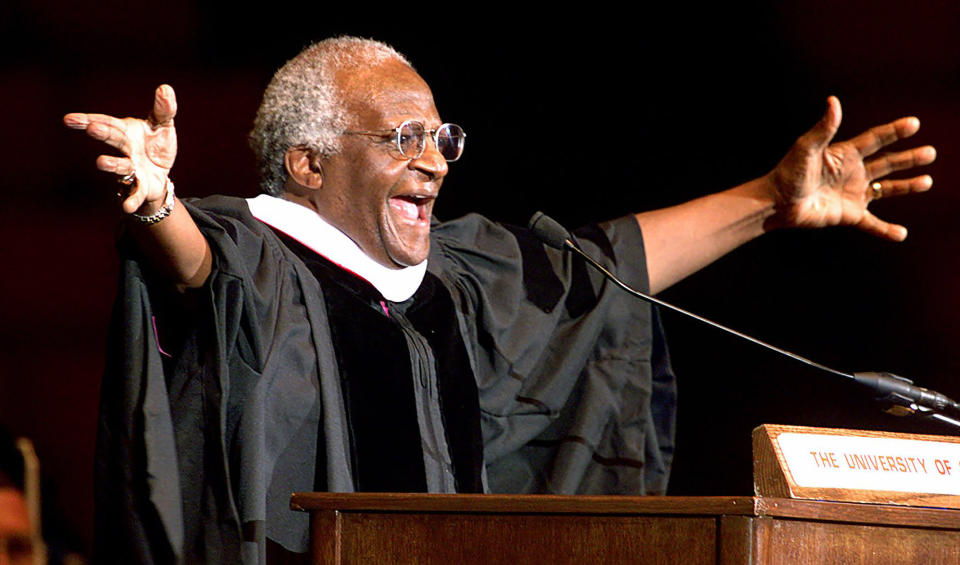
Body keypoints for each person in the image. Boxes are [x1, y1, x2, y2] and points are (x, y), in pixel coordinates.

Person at [64, 36, 935, 564]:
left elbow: (602, 268)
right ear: (308, 162)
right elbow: (188, 269)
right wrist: (155, 201)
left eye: (441, 137)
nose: (436, 160)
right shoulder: (253, 255)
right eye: (404, 138)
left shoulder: (459, 281)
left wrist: (769, 201)